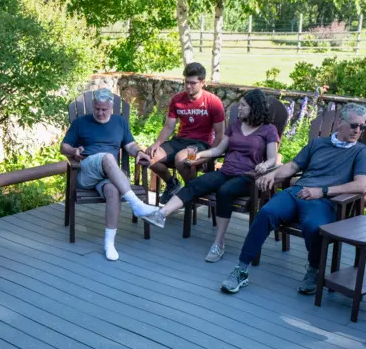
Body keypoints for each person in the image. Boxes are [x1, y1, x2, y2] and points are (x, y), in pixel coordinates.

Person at [219, 104, 366, 295]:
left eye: (362, 127)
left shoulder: (360, 152)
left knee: (313, 226)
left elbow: (361, 185)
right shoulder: (318, 144)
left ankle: (314, 270)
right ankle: (241, 269)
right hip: (297, 192)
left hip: (324, 200)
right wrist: (272, 175)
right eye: (354, 125)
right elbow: (292, 166)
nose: (358, 131)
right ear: (340, 123)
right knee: (266, 212)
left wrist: (322, 191)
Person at [142, 89, 279, 264]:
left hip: (248, 177)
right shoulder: (235, 125)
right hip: (226, 171)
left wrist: (265, 165)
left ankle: (219, 242)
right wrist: (199, 155)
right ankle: (162, 214)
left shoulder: (268, 130)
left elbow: (273, 157)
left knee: (225, 191)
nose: (240, 108)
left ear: (254, 107)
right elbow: (218, 150)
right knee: (195, 184)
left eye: (244, 105)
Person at [60, 88, 158, 261]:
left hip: (109, 175)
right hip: (87, 172)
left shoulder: (120, 122)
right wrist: (74, 150)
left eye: (104, 109)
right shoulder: (81, 123)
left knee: (113, 190)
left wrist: (139, 152)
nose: (100, 113)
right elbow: (63, 147)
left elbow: (130, 145)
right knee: (107, 157)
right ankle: (136, 204)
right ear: (93, 106)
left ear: (111, 108)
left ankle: (109, 243)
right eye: (97, 109)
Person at [145, 63, 226, 204]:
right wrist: (156, 144)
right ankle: (172, 184)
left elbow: (220, 134)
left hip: (201, 144)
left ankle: (193, 193)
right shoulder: (177, 100)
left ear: (202, 83)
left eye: (193, 83)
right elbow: (169, 126)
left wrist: (210, 157)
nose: (188, 86)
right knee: (149, 158)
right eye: (186, 82)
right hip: (180, 140)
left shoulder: (213, 102)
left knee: (181, 159)